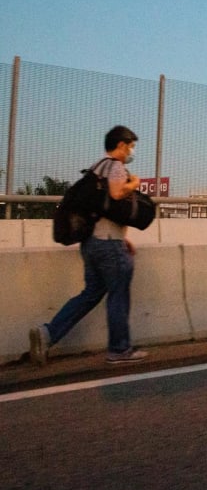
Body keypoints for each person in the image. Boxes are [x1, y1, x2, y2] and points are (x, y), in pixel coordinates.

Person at [29, 125, 148, 365]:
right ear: (121, 145)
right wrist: (133, 184)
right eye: (131, 146)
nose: (131, 152)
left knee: (90, 294)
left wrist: (121, 238)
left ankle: (48, 334)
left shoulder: (95, 169)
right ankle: (120, 350)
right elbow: (115, 195)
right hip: (108, 247)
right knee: (118, 295)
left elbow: (99, 210)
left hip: (91, 244)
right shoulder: (115, 167)